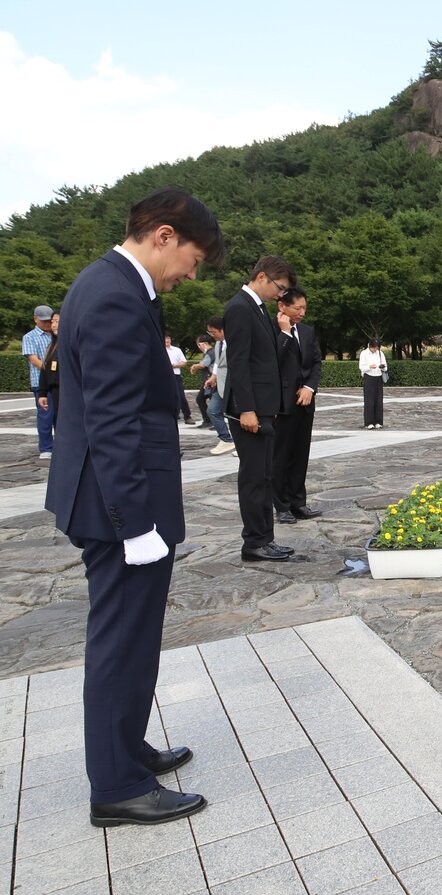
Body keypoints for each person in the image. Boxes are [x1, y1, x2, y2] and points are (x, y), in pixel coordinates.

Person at [44, 187, 225, 827]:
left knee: (134, 637)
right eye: (194, 261)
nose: (191, 275)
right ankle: (117, 786)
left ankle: (125, 748)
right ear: (165, 236)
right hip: (117, 506)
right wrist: (135, 524)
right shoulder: (116, 295)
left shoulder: (111, 284)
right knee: (122, 642)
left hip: (113, 498)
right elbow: (112, 420)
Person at [224, 256, 298, 563]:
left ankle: (265, 538)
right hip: (250, 410)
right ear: (262, 277)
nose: (280, 295)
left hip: (265, 407)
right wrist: (246, 409)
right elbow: (238, 362)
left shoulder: (256, 308)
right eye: (280, 288)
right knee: (254, 478)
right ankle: (254, 542)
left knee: (265, 476)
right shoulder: (240, 308)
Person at [273, 288, 323, 525]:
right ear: (282, 306)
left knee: (300, 455)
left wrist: (310, 388)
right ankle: (281, 505)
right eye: (298, 308)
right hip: (281, 403)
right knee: (280, 456)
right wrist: (284, 333)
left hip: (305, 402)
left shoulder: (307, 331)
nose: (302, 313)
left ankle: (297, 502)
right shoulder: (270, 329)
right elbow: (273, 360)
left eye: (305, 308)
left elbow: (316, 363)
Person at [23, 304, 56, 459]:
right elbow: (33, 359)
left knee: (60, 416)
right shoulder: (29, 337)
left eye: (50, 321)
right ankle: (46, 447)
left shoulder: (56, 335)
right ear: (35, 319)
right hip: (40, 382)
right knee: (45, 416)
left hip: (58, 382)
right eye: (44, 321)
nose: (47, 324)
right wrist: (51, 370)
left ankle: (61, 446)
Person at [205, 317, 236, 456]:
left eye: (213, 332)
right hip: (221, 385)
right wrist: (213, 376)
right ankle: (226, 439)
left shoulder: (235, 341)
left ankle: (242, 444)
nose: (212, 335)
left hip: (233, 384)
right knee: (212, 410)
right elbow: (218, 363)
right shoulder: (218, 344)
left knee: (235, 415)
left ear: (222, 329)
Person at [163, 334, 195, 425]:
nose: (167, 340)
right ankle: (171, 415)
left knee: (181, 396)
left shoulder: (177, 350)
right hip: (164, 375)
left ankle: (187, 416)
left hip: (175, 375)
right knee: (165, 396)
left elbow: (184, 362)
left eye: (168, 338)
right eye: (165, 338)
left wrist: (175, 365)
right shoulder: (160, 350)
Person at [37, 312, 61, 424]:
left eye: (57, 321)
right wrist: (42, 393)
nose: (54, 325)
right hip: (55, 391)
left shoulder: (70, 345)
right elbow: (44, 370)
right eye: (52, 322)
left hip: (68, 392)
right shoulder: (51, 346)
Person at [358, 339, 387, 429]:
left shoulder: (380, 353)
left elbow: (385, 366)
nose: (375, 349)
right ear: (369, 346)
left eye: (376, 347)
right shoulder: (364, 353)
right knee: (369, 401)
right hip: (369, 377)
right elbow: (361, 367)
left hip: (378, 377)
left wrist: (382, 367)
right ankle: (369, 422)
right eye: (373, 347)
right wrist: (369, 367)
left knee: (379, 400)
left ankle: (378, 421)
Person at [190, 334, 215, 428]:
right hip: (208, 382)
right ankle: (208, 420)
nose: (199, 347)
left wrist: (194, 366)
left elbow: (203, 364)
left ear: (204, 343)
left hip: (211, 382)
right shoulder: (211, 352)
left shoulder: (210, 353)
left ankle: (214, 422)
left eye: (199, 344)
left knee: (213, 402)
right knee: (201, 399)